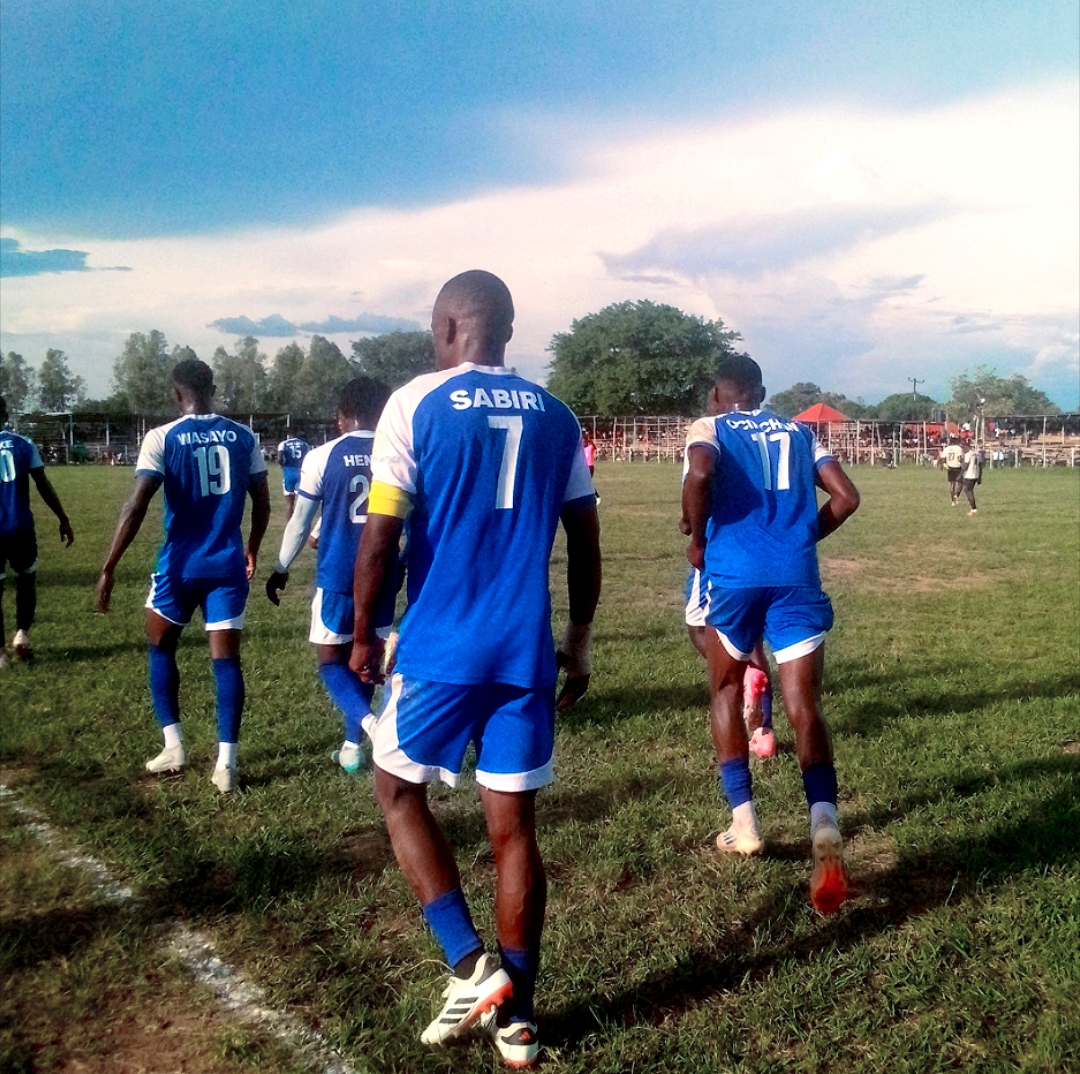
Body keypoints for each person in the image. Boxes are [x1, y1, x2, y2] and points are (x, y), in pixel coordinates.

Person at [349, 270, 601, 1067]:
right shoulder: (558, 417)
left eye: (434, 327)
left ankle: (469, 963)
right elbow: (587, 543)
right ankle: (520, 1020)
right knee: (514, 832)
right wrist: (579, 639)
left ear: (451, 326)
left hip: (440, 649)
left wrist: (363, 630)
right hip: (522, 652)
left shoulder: (415, 402)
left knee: (395, 790)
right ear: (509, 329)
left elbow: (382, 537)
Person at [682, 355, 860, 915]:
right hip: (795, 576)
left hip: (733, 577)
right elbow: (847, 498)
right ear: (763, 391)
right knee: (804, 704)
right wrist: (803, 539)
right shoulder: (800, 432)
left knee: (726, 690)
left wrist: (694, 538)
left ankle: (744, 824)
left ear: (717, 392)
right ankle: (824, 823)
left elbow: (701, 472)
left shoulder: (710, 427)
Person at [94, 360, 270, 793]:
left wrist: (108, 567)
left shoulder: (161, 437)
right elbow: (262, 503)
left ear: (177, 394)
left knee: (160, 645)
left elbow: (135, 506)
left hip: (179, 566)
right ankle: (226, 764)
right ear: (213, 387)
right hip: (227, 566)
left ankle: (174, 745)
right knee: (226, 660)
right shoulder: (245, 436)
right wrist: (251, 548)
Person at [265, 377, 394, 772]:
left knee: (330, 661)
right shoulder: (399, 452)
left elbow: (300, 522)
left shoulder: (323, 456)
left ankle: (372, 729)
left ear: (343, 416)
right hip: (385, 574)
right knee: (369, 658)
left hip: (339, 573)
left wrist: (281, 567)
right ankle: (351, 748)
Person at [0, 396, 75, 665]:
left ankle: (0, 655)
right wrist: (63, 518)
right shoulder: (24, 444)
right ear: (5, 413)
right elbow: (43, 484)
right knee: (26, 580)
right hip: (20, 526)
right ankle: (21, 633)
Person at [276, 434, 311, 519]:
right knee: (301, 503)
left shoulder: (283, 444)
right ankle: (300, 525)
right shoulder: (304, 444)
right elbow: (309, 457)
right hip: (301, 474)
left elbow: (280, 458)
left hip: (289, 473)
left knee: (289, 503)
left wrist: (282, 465)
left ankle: (289, 526)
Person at [961, 441, 983, 515]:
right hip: (975, 475)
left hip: (969, 475)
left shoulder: (968, 454)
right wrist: (979, 477)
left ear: (966, 447)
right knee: (969, 490)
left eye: (963, 448)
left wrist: (960, 474)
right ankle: (973, 508)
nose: (962, 450)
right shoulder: (977, 454)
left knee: (968, 491)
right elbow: (980, 466)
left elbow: (965, 466)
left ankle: (974, 508)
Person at [942, 435, 964, 504]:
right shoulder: (958, 448)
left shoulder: (946, 449)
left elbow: (943, 459)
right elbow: (960, 459)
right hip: (957, 466)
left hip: (950, 467)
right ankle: (956, 495)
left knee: (952, 484)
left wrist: (945, 465)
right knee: (961, 483)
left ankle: (952, 501)